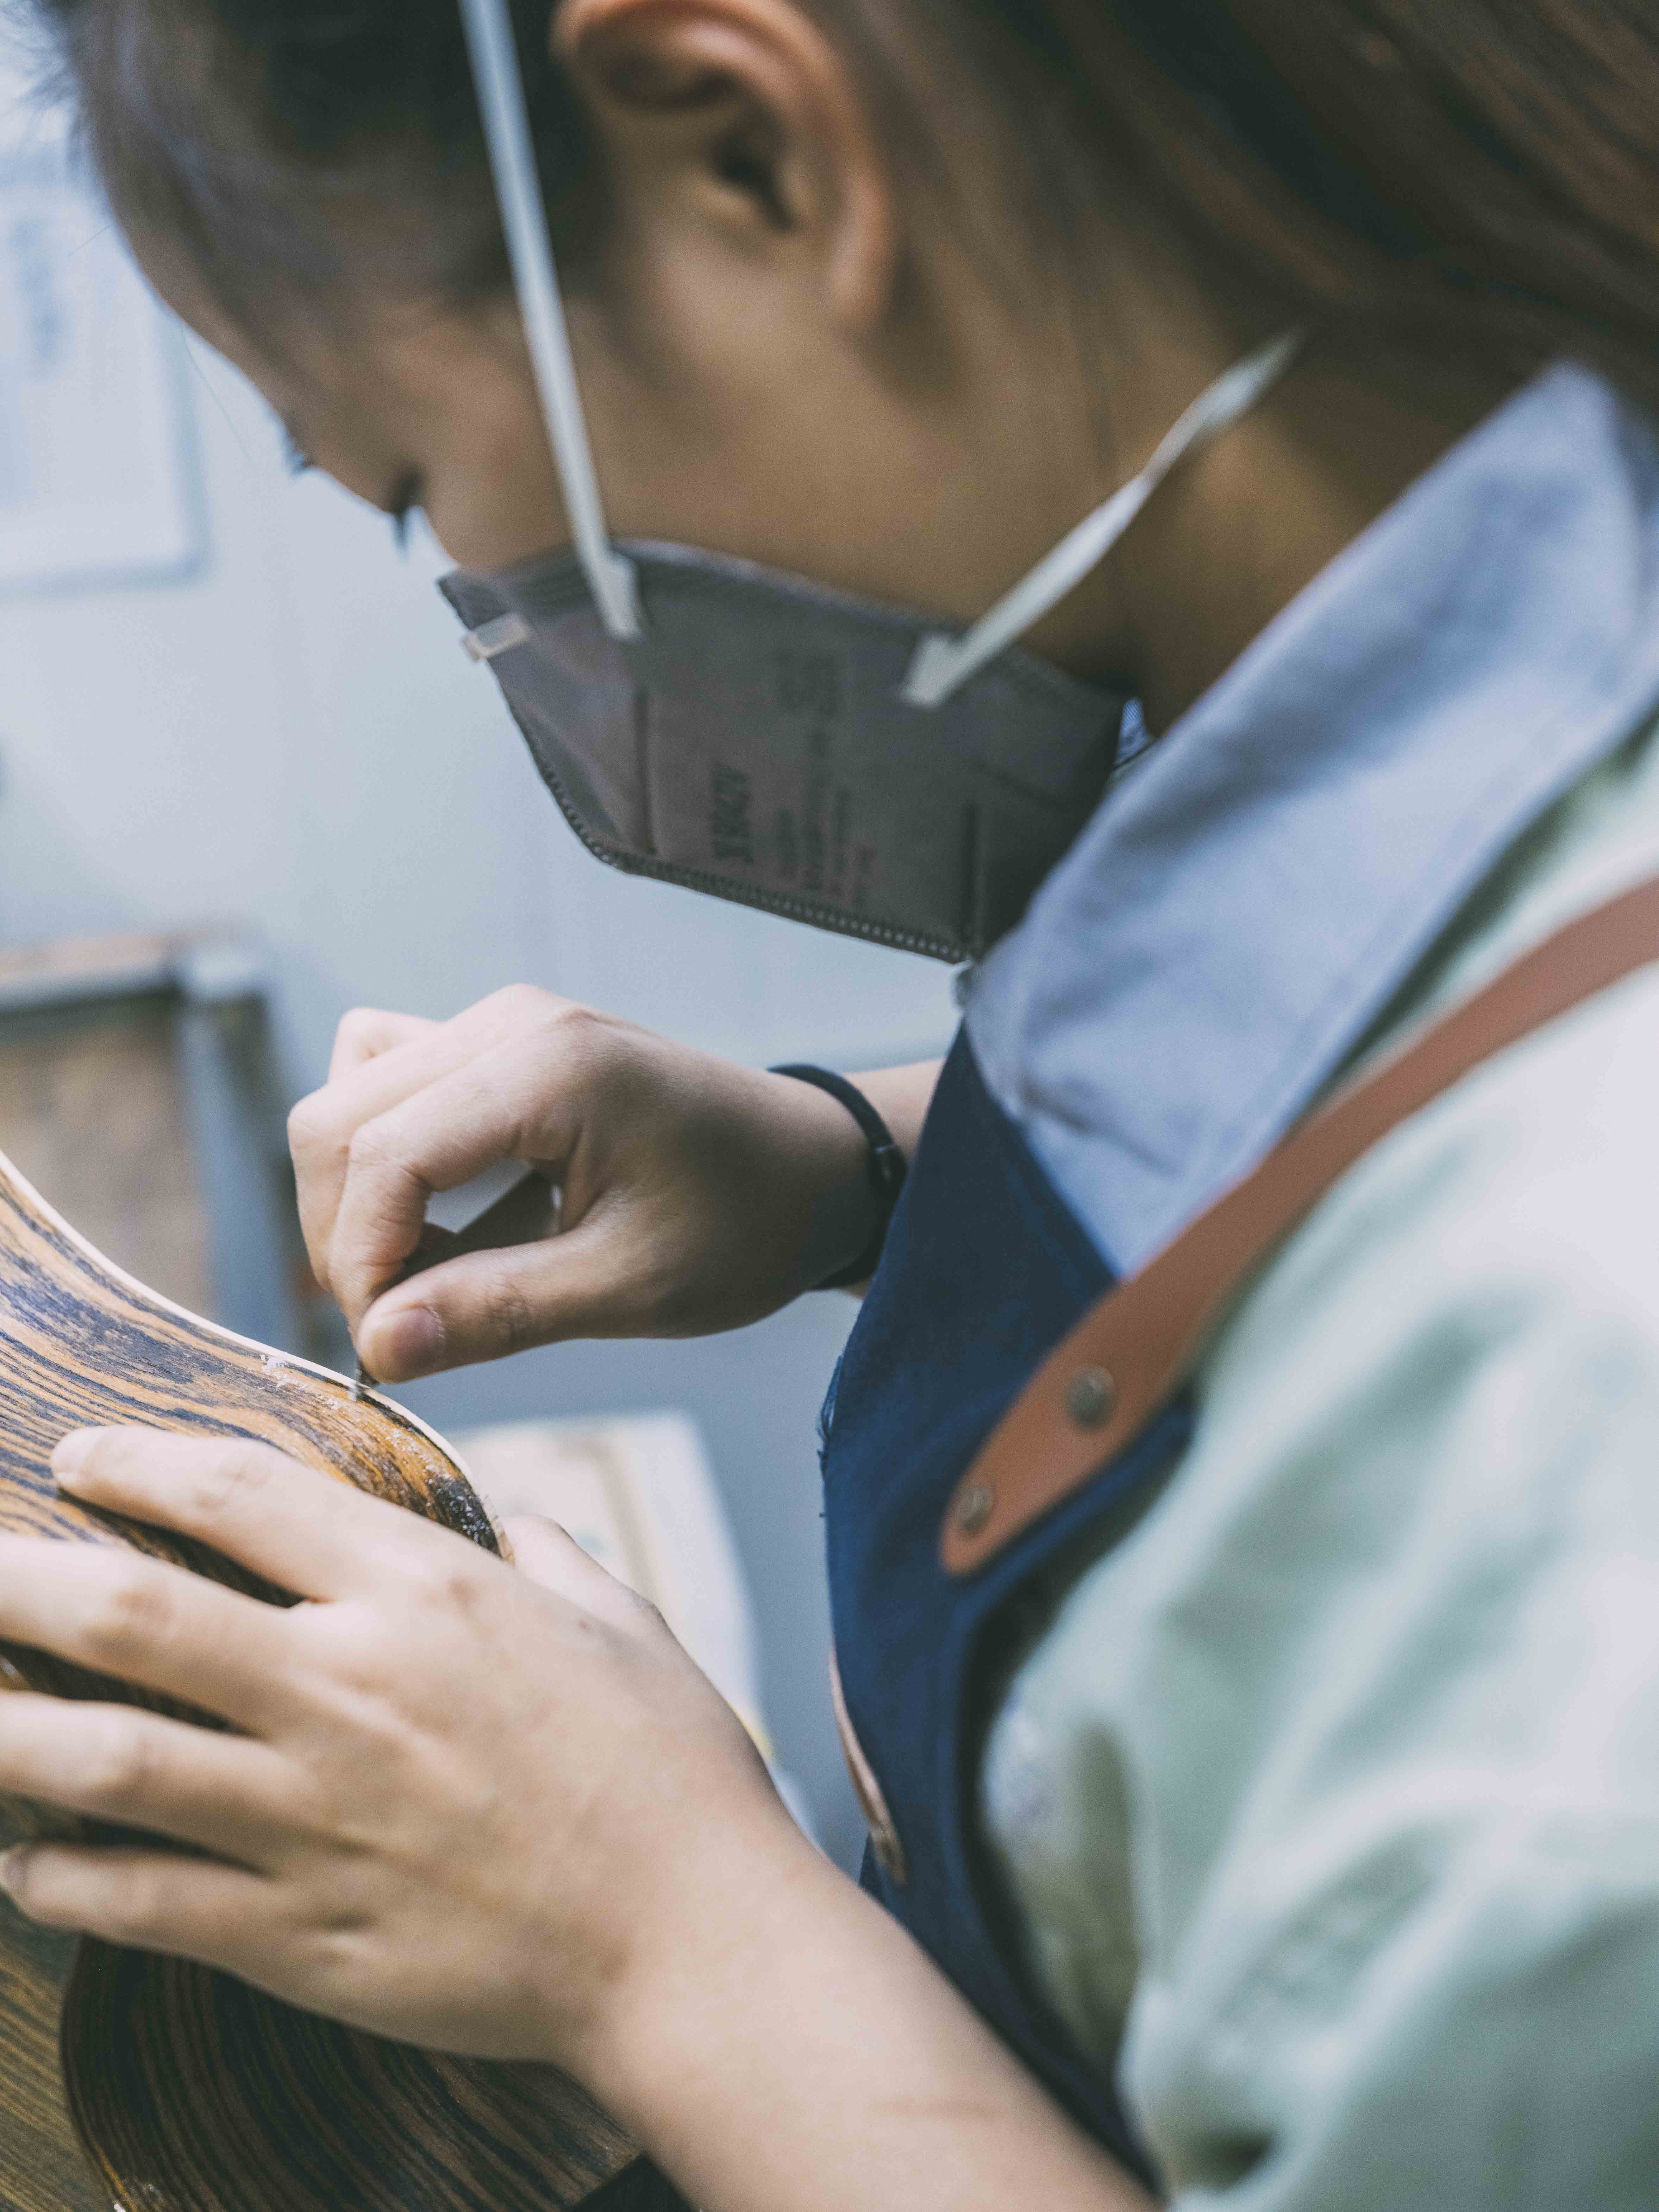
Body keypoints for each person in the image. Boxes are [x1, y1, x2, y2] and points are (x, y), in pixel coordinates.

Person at [4, 0, 1659, 2203]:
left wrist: (656, 1927)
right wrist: (847, 1163)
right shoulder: (1337, 621)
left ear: (754, 149)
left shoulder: (1587, 1428)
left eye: (416, 483)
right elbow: (1365, 1065)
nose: (483, 599)